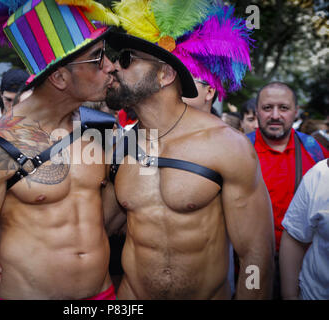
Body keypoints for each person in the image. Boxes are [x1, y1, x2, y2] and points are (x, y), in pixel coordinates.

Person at [100, 0, 275, 299]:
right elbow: (91, 233)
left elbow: (256, 257)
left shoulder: (225, 146)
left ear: (165, 75)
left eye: (127, 58)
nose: (114, 66)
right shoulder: (119, 149)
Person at [0, 0, 120, 300]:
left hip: (101, 297)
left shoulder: (101, 130)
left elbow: (110, 217)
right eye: (97, 58)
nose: (110, 66)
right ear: (59, 77)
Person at [246, 81, 329, 298]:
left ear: (295, 112)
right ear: (257, 112)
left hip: (301, 264)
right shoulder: (238, 148)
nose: (275, 115)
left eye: (283, 108)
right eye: (267, 108)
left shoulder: (315, 151)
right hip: (249, 264)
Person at [279, 159, 329, 300]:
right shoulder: (320, 175)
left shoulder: (311, 146)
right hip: (314, 293)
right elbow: (295, 236)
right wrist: (290, 295)